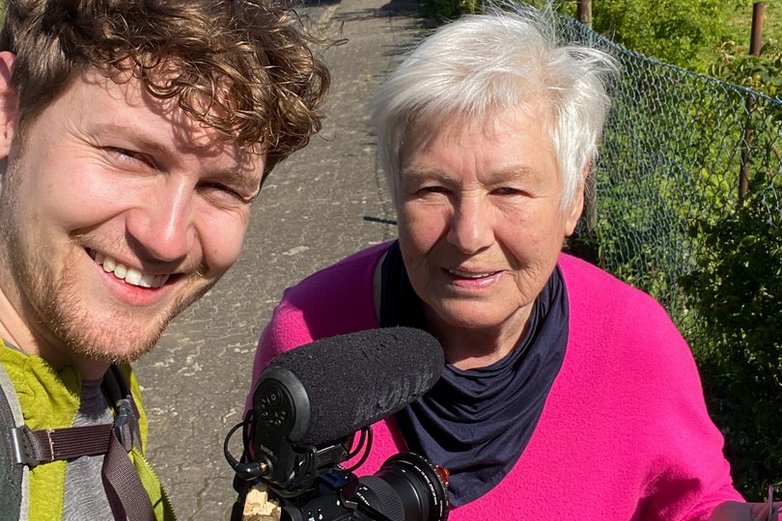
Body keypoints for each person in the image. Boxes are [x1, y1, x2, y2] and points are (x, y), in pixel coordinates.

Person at [245, 4, 781, 521]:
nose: (470, 235)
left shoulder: (634, 342)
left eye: (509, 190)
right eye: (432, 189)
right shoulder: (311, 335)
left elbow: (693, 504)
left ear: (574, 198)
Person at [0, 0, 328, 519]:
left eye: (221, 187)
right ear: (8, 112)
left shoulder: (96, 378)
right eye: (129, 155)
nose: (168, 240)